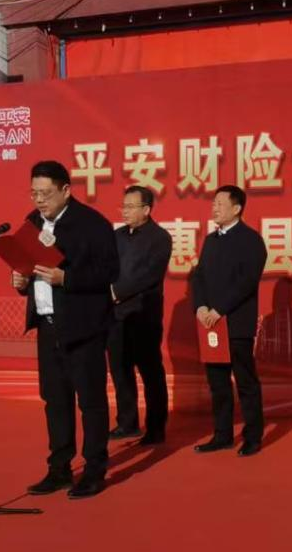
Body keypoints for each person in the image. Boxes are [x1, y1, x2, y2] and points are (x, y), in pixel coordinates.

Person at [11, 161, 119, 499]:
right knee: (55, 400)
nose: (39, 200)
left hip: (83, 327)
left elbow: (109, 274)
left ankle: (94, 469)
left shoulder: (93, 224)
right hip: (47, 325)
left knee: (90, 400)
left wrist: (67, 278)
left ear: (66, 190)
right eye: (34, 193)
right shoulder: (32, 222)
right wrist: (21, 281)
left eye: (45, 193)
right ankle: (59, 469)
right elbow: (29, 267)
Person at [190, 185, 267, 456]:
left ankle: (253, 436)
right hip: (211, 325)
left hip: (235, 324)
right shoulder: (211, 240)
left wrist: (220, 309)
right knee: (218, 383)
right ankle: (222, 435)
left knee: (245, 382)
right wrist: (200, 306)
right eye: (213, 203)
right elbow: (198, 276)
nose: (215, 208)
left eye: (220, 204)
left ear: (237, 208)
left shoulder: (251, 240)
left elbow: (247, 282)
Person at [107, 185, 172, 445]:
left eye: (131, 207)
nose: (125, 211)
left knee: (150, 372)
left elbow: (149, 275)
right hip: (115, 315)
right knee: (119, 370)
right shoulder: (117, 236)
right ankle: (127, 423)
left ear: (146, 209)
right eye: (123, 206)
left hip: (143, 315)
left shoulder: (160, 238)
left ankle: (156, 428)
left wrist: (116, 292)